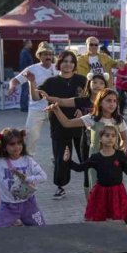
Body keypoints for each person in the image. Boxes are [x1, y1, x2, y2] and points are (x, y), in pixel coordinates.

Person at [64, 125, 127, 235]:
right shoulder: (96, 157)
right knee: (100, 213)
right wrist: (68, 160)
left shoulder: (120, 155)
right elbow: (80, 168)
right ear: (100, 138)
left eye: (113, 136)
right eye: (107, 135)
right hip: (101, 191)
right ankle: (101, 230)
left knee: (123, 211)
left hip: (117, 191)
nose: (110, 138)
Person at [46, 87, 127, 191]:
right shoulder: (92, 118)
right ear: (100, 102)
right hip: (96, 160)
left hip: (113, 161)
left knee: (114, 187)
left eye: (115, 101)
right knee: (95, 186)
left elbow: (124, 139)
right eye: (108, 100)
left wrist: (121, 151)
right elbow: (67, 123)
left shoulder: (118, 120)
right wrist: (57, 110)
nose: (112, 104)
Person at [33, 50, 87, 200]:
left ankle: (91, 183)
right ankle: (60, 186)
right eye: (65, 61)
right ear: (59, 63)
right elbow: (36, 96)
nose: (68, 64)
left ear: (75, 64)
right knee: (61, 157)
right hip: (59, 125)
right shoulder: (51, 82)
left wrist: (82, 110)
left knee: (86, 155)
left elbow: (91, 99)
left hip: (80, 124)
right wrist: (31, 82)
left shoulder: (83, 80)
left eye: (71, 61)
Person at [6, 42, 57, 156]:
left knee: (57, 135)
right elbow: (14, 80)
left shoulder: (57, 68)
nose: (48, 57)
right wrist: (12, 87)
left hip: (54, 108)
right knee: (30, 136)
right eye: (45, 54)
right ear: (39, 56)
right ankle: (27, 158)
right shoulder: (32, 69)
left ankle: (57, 157)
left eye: (50, 54)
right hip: (36, 108)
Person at [18, 40, 34, 112]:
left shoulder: (26, 52)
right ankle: (24, 106)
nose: (32, 44)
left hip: (26, 73)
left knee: (26, 90)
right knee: (25, 90)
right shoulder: (24, 52)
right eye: (30, 43)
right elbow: (23, 64)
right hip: (26, 74)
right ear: (27, 44)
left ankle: (24, 106)